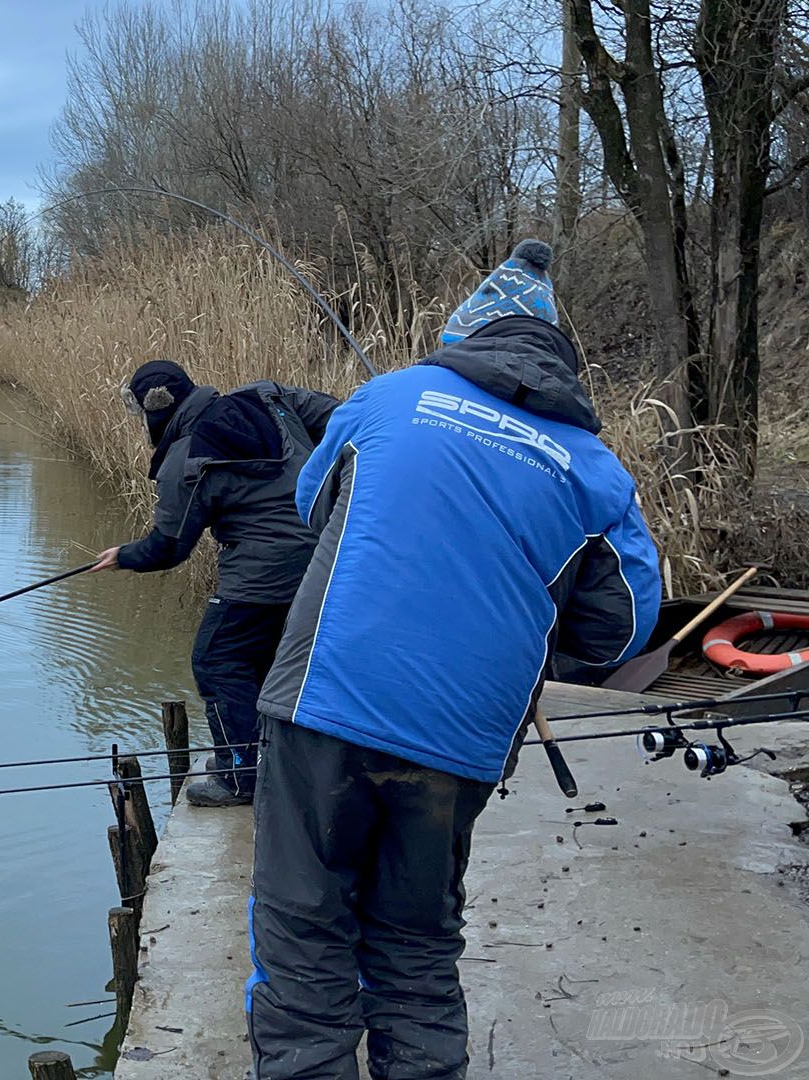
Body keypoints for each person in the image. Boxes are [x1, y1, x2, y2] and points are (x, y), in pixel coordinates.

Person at [244, 240, 662, 1080]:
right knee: (415, 944)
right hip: (460, 742)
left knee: (302, 929)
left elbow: (310, 504)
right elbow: (621, 632)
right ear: (559, 362)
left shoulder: (389, 396)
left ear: (464, 335)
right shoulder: (596, 471)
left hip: (326, 702)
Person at [91, 360, 340, 807]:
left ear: (153, 412)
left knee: (217, 658)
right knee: (264, 660)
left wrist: (122, 556)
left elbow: (169, 547)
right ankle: (256, 756)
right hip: (328, 553)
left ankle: (239, 777)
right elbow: (344, 420)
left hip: (263, 572)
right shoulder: (269, 395)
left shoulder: (187, 456)